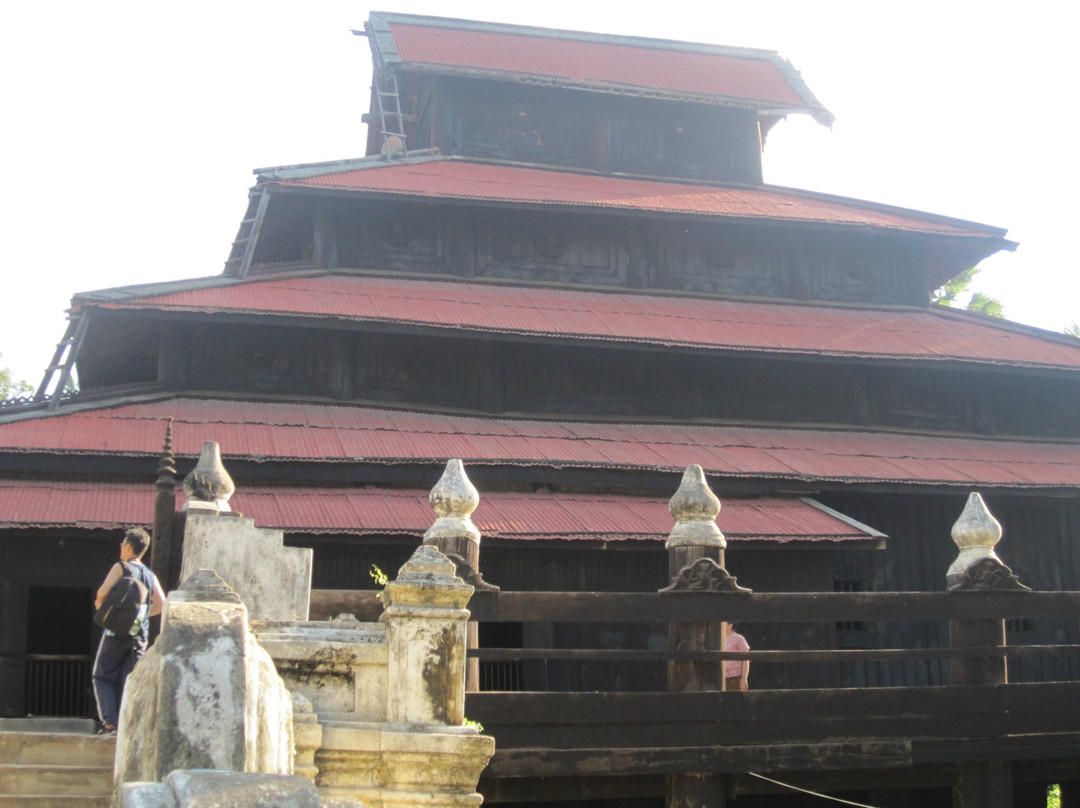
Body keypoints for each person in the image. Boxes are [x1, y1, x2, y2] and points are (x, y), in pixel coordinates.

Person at [92, 527, 165, 734]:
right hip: (138, 633)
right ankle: (128, 726)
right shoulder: (150, 575)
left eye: (123, 544)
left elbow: (102, 592)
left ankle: (109, 723)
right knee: (129, 680)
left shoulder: (122, 567)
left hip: (115, 632)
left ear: (130, 547)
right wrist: (139, 617)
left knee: (103, 676)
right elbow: (161, 604)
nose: (121, 547)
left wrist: (101, 606)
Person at [724, 622, 750, 691]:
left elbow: (746, 659)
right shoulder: (716, 639)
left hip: (735, 678)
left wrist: (744, 678)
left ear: (730, 625)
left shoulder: (738, 638)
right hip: (721, 677)